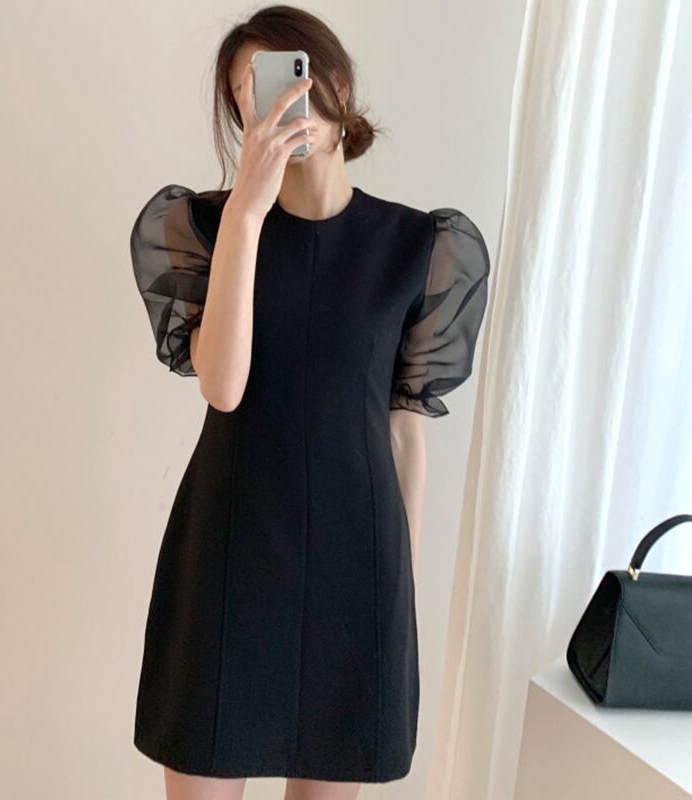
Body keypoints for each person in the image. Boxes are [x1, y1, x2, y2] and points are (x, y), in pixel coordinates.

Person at [129, 6, 490, 799]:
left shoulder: (417, 247)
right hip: (229, 552)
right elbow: (223, 386)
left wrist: (400, 585)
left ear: (336, 86)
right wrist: (247, 213)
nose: (275, 108)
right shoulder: (210, 227)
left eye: (285, 79)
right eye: (248, 96)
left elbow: (404, 434)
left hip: (354, 565)